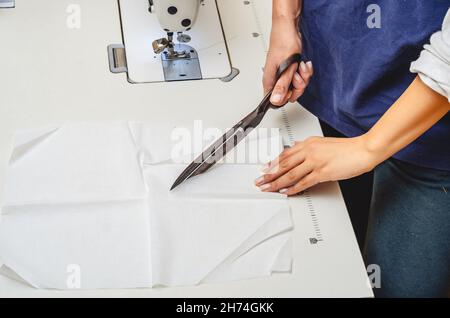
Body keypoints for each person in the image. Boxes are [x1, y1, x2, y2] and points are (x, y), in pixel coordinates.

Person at [256, 0, 450, 298]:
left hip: (432, 133)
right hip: (334, 76)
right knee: (328, 267)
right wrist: (284, 18)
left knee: (396, 288)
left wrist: (366, 150)